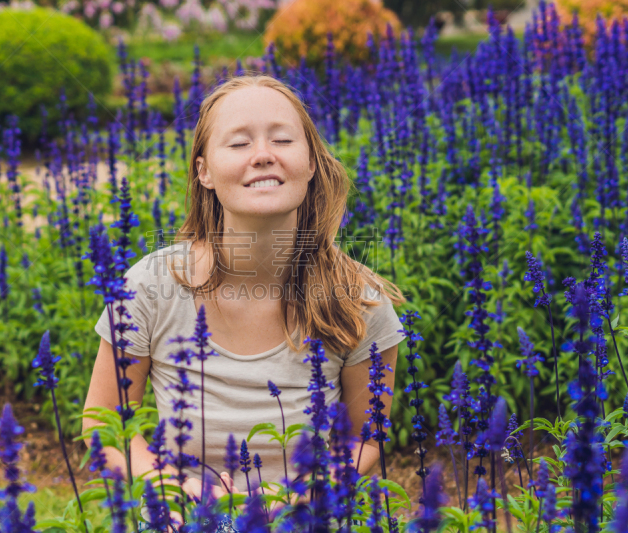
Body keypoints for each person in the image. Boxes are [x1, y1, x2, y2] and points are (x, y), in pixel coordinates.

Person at [82, 74, 406, 532]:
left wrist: (308, 496)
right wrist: (165, 489)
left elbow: (365, 438)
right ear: (204, 172)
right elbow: (102, 425)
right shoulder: (150, 286)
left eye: (282, 139)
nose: (262, 154)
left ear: (311, 162)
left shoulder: (359, 300)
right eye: (238, 143)